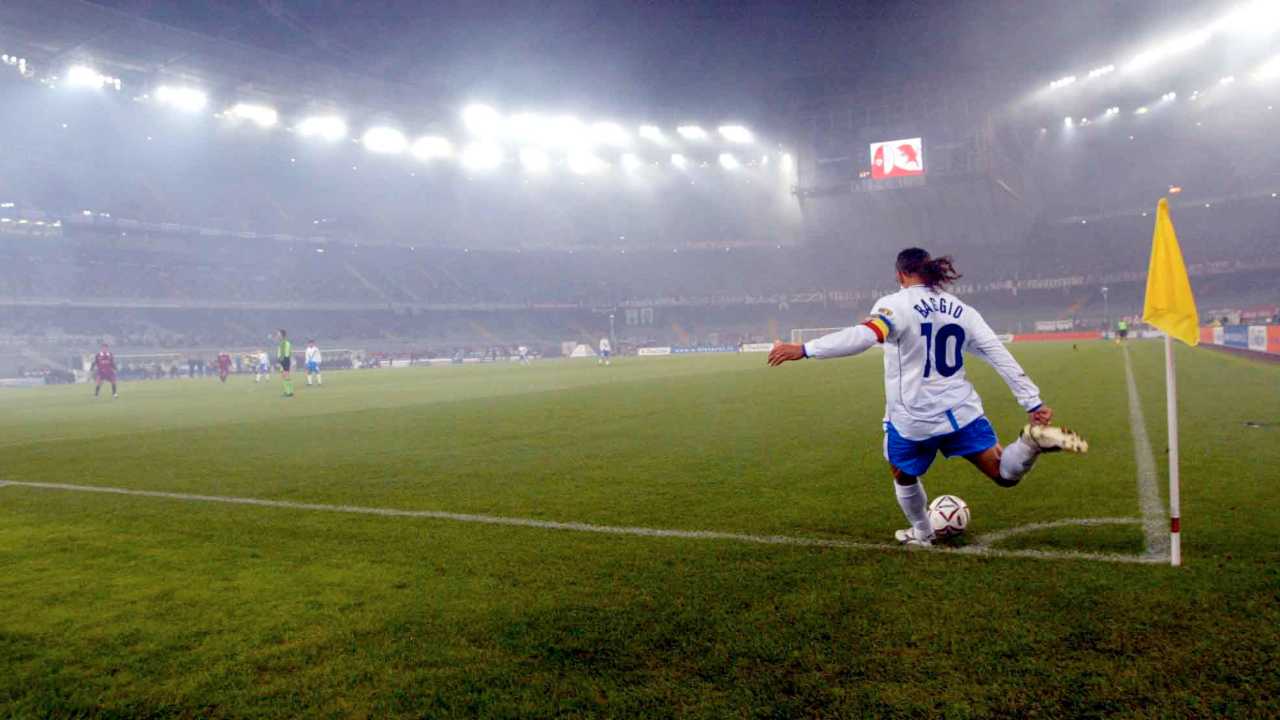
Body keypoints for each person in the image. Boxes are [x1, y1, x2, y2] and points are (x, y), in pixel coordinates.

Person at [767, 248, 1088, 546]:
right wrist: (1031, 400)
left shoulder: (895, 305)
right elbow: (995, 351)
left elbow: (865, 336)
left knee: (903, 473)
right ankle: (1030, 443)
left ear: (900, 275)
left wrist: (805, 349)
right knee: (1004, 473)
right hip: (962, 412)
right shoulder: (962, 310)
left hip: (914, 419)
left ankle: (922, 531)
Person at [277, 329, 294, 397]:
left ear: (281, 335)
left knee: (285, 376)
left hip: (284, 360)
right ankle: (289, 391)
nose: (277, 335)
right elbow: (290, 352)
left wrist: (280, 362)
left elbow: (282, 353)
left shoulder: (283, 342)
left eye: (278, 334)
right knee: (286, 376)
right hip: (287, 359)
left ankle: (288, 392)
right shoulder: (287, 342)